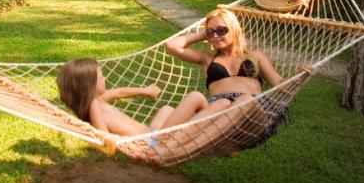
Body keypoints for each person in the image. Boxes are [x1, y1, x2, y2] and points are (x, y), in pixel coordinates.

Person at [165, 8, 311, 139]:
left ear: (235, 30)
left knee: (245, 99)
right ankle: (160, 142)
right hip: (218, 109)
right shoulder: (207, 58)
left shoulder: (255, 56)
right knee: (195, 97)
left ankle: (175, 141)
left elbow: (279, 84)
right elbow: (172, 45)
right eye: (211, 32)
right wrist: (203, 33)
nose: (215, 36)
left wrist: (297, 77)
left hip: (252, 112)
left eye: (221, 31)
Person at [56, 57, 232, 136]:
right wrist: (124, 145)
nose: (105, 78)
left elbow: (119, 92)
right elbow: (104, 135)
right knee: (196, 97)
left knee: (166, 109)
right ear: (89, 85)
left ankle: (196, 127)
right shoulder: (94, 106)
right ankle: (213, 132)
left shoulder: (95, 100)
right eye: (101, 77)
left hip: (151, 133)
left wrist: (146, 90)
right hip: (154, 142)